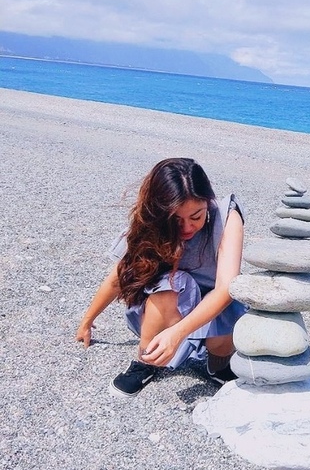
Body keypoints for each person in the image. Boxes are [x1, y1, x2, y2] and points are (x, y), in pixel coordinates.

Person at [76, 158, 246, 397]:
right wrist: (88, 320)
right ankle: (147, 361)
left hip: (213, 306)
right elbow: (118, 276)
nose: (187, 227)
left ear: (208, 202)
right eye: (175, 220)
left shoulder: (227, 217)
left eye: (196, 217)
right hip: (166, 308)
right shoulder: (150, 224)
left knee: (230, 303)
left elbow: (225, 288)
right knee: (174, 283)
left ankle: (217, 365)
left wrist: (177, 334)